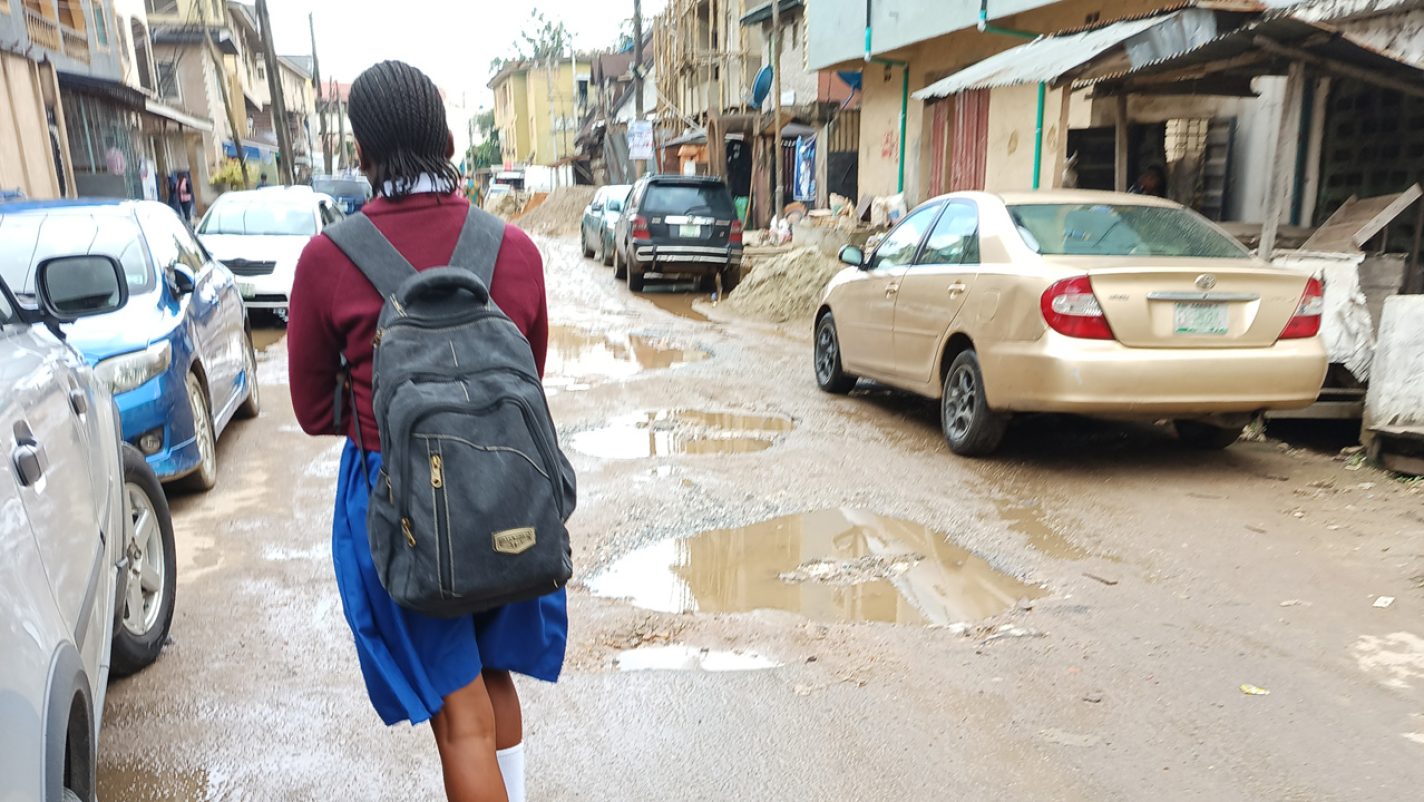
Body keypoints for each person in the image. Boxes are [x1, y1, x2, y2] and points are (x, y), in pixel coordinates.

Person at [286, 60, 563, 802]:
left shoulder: (327, 259)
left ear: (361, 155)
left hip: (403, 503)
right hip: (507, 493)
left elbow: (314, 412)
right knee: (493, 677)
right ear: (447, 139)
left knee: (458, 712)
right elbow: (527, 377)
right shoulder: (515, 250)